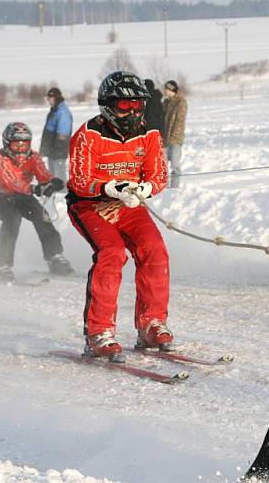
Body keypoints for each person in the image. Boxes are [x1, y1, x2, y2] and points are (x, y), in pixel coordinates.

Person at [67, 71, 171, 362]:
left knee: (155, 250)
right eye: (126, 106)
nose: (133, 111)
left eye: (138, 105)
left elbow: (159, 173)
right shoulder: (88, 135)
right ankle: (98, 333)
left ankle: (151, 323)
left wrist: (146, 188)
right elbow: (79, 180)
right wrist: (109, 188)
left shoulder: (149, 133)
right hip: (90, 206)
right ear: (108, 104)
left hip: (129, 204)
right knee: (112, 253)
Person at [0, 122, 72, 284]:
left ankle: (54, 256)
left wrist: (51, 182)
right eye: (17, 144)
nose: (21, 149)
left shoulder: (33, 157)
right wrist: (36, 189)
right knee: (12, 218)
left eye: (25, 144)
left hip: (21, 194)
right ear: (8, 144)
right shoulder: (0, 158)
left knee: (41, 215)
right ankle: (1, 264)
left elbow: (42, 173)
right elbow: (11, 182)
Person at [39, 87, 73, 181]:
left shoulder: (63, 112)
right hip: (52, 150)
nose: (48, 101)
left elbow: (63, 135)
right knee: (53, 177)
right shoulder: (55, 110)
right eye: (48, 98)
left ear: (56, 98)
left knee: (59, 177)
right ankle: (55, 193)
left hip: (58, 151)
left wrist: (58, 151)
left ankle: (62, 194)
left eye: (50, 98)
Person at [162, 80, 187, 188]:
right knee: (163, 165)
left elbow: (180, 122)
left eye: (167, 89)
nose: (165, 91)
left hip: (175, 139)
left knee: (175, 164)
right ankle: (164, 187)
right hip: (164, 139)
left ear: (172, 90)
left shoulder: (181, 102)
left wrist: (173, 136)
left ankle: (175, 187)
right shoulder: (165, 102)